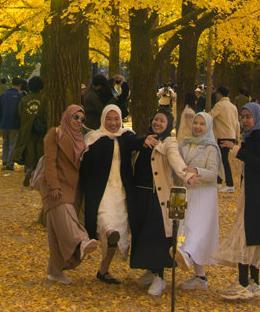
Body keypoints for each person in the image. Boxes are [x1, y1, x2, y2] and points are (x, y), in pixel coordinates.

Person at [214, 102, 260, 300]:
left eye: (248, 117)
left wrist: (236, 150)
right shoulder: (254, 135)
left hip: (259, 194)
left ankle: (244, 283)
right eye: (242, 117)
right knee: (254, 236)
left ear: (257, 118)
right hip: (255, 191)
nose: (244, 121)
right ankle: (253, 282)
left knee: (245, 234)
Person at [80, 105, 157, 285]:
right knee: (106, 220)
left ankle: (103, 269)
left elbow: (135, 140)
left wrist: (145, 140)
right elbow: (84, 169)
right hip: (101, 192)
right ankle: (108, 232)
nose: (113, 123)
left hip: (121, 191)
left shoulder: (124, 137)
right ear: (103, 120)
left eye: (116, 119)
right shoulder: (93, 139)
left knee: (119, 231)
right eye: (109, 119)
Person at [129, 110, 190, 297]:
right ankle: (150, 269)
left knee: (157, 236)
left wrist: (185, 173)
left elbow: (175, 158)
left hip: (157, 196)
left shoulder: (168, 143)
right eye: (155, 119)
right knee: (142, 234)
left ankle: (160, 276)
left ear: (169, 124)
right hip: (140, 194)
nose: (158, 123)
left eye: (162, 120)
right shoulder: (143, 141)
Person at [39, 105, 98, 284]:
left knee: (55, 234)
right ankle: (81, 241)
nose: (79, 122)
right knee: (66, 216)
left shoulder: (82, 139)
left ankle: (54, 270)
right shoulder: (55, 133)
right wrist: (54, 186)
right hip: (55, 188)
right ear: (67, 117)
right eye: (75, 118)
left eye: (82, 119)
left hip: (73, 190)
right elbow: (49, 161)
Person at [176, 112, 222, 290]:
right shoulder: (185, 144)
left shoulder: (211, 148)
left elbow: (213, 174)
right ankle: (199, 275)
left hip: (203, 194)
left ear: (208, 127)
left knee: (198, 228)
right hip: (186, 191)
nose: (198, 127)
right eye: (196, 123)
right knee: (184, 226)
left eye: (202, 124)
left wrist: (196, 170)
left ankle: (187, 254)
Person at [12, 76, 47, 186]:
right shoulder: (44, 99)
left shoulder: (24, 99)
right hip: (41, 130)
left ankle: (28, 170)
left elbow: (19, 113)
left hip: (27, 129)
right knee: (40, 151)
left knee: (29, 151)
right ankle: (39, 175)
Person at [210, 86, 240, 193]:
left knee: (223, 160)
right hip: (231, 135)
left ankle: (229, 184)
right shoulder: (233, 107)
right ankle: (219, 182)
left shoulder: (219, 105)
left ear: (219, 94)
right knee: (221, 159)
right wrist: (236, 136)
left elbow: (210, 116)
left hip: (222, 135)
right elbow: (237, 123)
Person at [0, 77, 24, 170]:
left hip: (3, 123)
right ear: (20, 85)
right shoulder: (20, 96)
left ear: (11, 84)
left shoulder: (4, 95)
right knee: (13, 143)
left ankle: (4, 160)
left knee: (5, 142)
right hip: (14, 124)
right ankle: (10, 163)